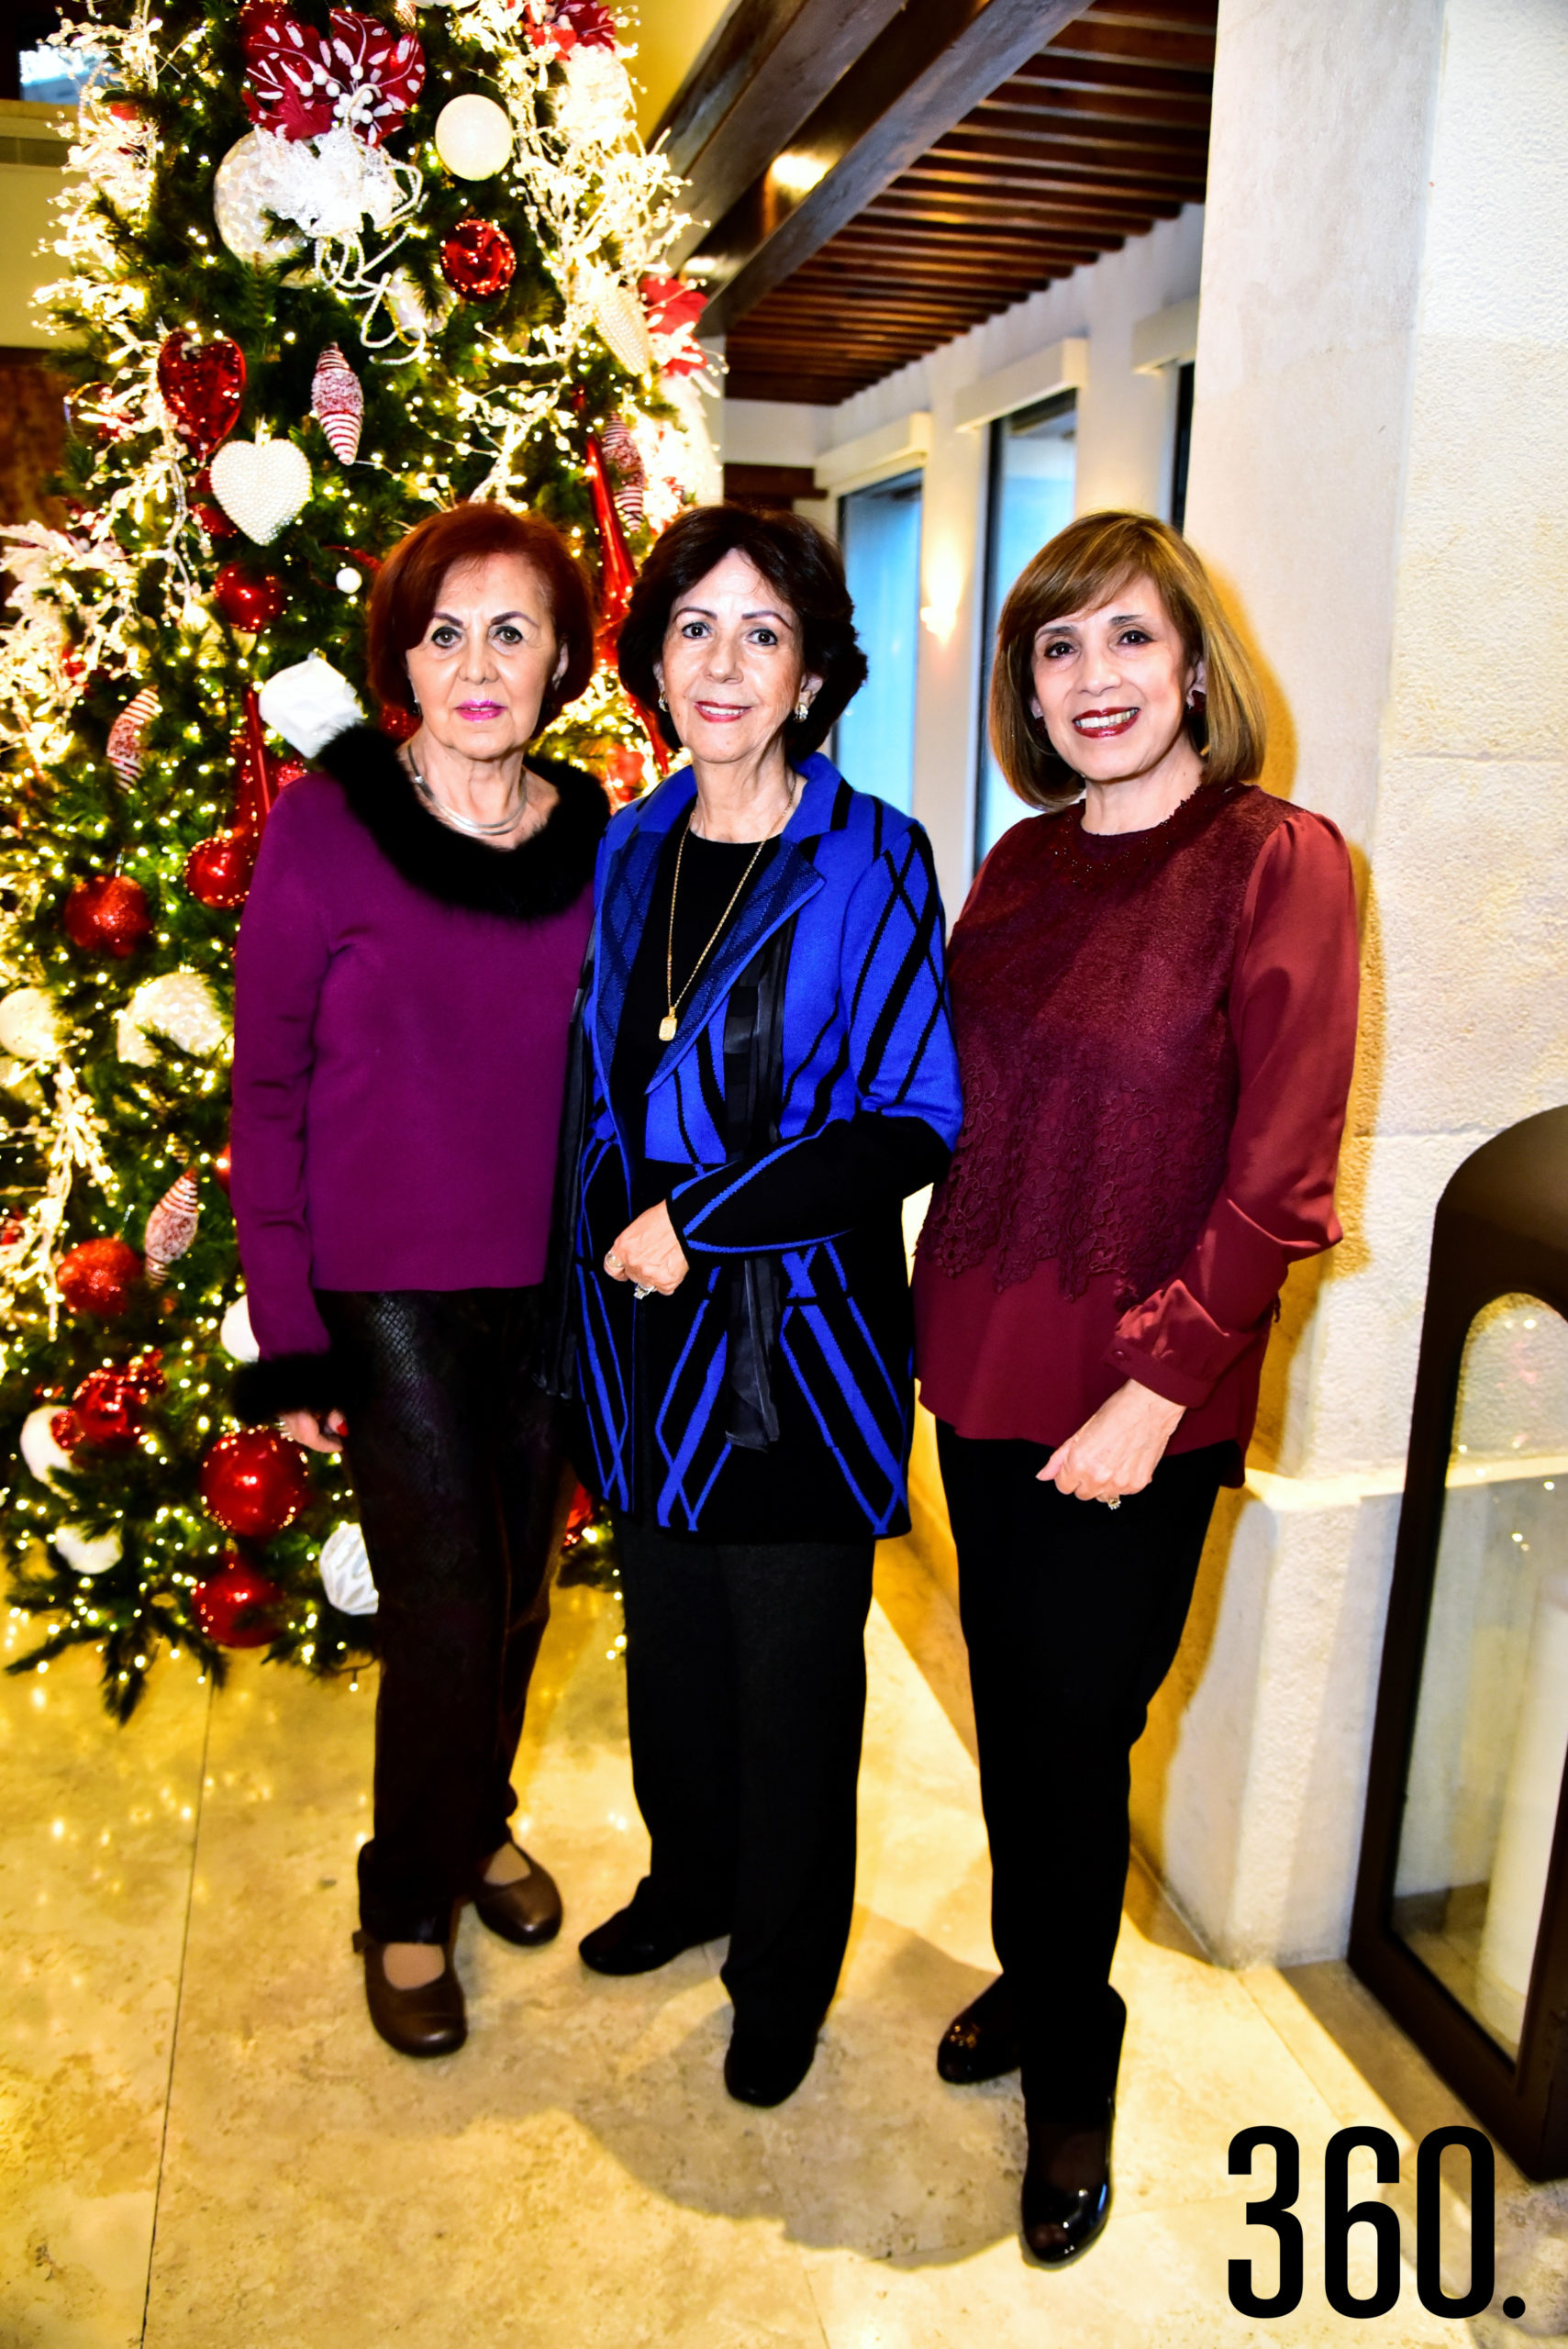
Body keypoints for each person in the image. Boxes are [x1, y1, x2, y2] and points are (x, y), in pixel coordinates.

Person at [913, 512, 1359, 2264]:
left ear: (1193, 666)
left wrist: (1157, 1391)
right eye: (1055, 648)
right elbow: (946, 1104)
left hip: (1131, 1403)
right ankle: (1036, 1982)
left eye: (1124, 642)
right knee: (1016, 1722)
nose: (1090, 680)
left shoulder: (1277, 861)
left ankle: (1072, 2051)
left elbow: (1282, 1175)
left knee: (1072, 1734)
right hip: (981, 1365)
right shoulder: (1018, 866)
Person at [545, 503, 962, 2108]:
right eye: (695, 629)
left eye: (761, 633)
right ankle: (691, 1885)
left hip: (800, 1349)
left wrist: (693, 1225)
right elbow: (591, 1078)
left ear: (809, 674)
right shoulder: (630, 845)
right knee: (674, 1662)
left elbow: (912, 1114)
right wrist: (612, 1229)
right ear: (655, 660)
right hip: (642, 1346)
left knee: (794, 1683)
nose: (724, 662)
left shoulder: (871, 857)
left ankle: (781, 1972)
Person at [230, 501, 607, 2058]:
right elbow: (266, 1090)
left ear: (563, 663)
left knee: (520, 1595)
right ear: (403, 657)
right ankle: (404, 1900)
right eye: (446, 631)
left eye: (511, 631)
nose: (477, 664)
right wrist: (296, 1333)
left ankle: (476, 1819)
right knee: (449, 1612)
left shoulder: (599, 838)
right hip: (389, 1305)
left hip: (551, 1294)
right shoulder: (330, 828)